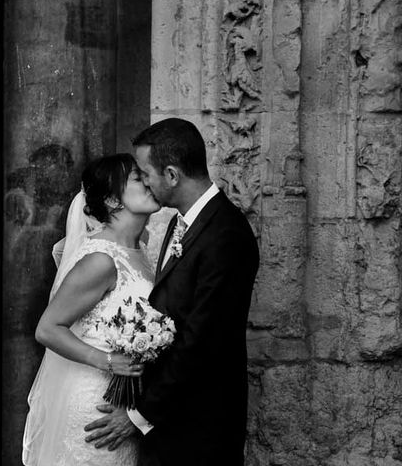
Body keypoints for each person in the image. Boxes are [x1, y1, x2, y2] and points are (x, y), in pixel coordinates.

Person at [84, 118, 260, 465]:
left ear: (172, 175)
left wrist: (138, 416)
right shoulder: (183, 222)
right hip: (170, 424)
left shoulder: (225, 234)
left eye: (145, 173)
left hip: (198, 430)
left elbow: (201, 342)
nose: (144, 183)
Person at [22, 153, 161, 466]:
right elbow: (47, 328)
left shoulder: (140, 251)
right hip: (94, 402)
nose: (150, 182)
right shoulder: (100, 259)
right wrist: (108, 360)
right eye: (139, 178)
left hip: (124, 401)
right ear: (112, 200)